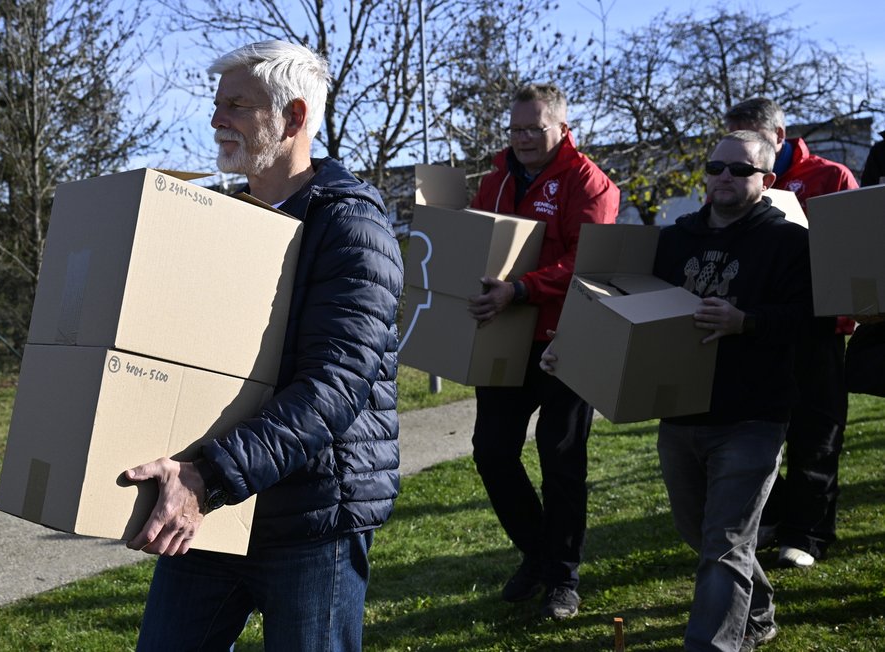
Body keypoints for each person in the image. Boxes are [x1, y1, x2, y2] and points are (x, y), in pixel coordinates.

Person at [121, 40, 403, 651]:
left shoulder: (352, 228)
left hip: (312, 518)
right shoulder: (227, 220)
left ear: (294, 117)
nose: (216, 119)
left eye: (237, 106)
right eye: (218, 105)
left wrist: (209, 476)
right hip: (218, 512)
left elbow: (332, 388)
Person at [642, 131, 809, 651]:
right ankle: (757, 613)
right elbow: (634, 311)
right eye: (716, 167)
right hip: (682, 412)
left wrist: (746, 322)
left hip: (753, 414)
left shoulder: (788, 242)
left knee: (725, 540)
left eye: (740, 170)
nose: (724, 178)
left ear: (767, 180)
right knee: (702, 534)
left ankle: (711, 645)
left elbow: (811, 320)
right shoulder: (673, 241)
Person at [467, 83, 620, 620]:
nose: (524, 138)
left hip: (567, 340)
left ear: (560, 126)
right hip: (505, 339)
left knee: (560, 456)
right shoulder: (497, 180)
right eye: (516, 128)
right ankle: (537, 552)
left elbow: (589, 259)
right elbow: (475, 240)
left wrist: (523, 288)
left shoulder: (589, 182)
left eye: (535, 128)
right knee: (491, 450)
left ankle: (562, 578)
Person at [724, 97, 858, 569]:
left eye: (749, 142)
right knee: (755, 428)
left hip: (816, 326)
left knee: (815, 431)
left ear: (778, 137)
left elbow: (852, 244)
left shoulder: (830, 176)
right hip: (755, 324)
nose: (736, 157)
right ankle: (776, 516)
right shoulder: (730, 179)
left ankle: (808, 533)